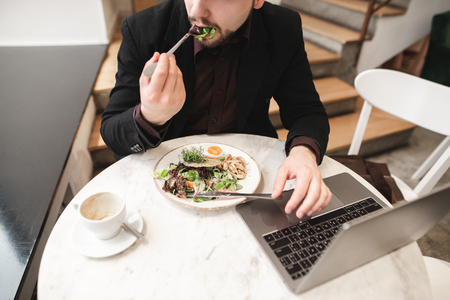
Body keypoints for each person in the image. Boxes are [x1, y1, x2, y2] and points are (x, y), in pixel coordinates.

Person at [101, 0, 332, 218]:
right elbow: (112, 132)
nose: (197, 11)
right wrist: (150, 116)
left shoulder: (283, 27)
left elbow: (307, 111)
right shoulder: (142, 30)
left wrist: (303, 154)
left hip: (251, 182)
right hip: (169, 185)